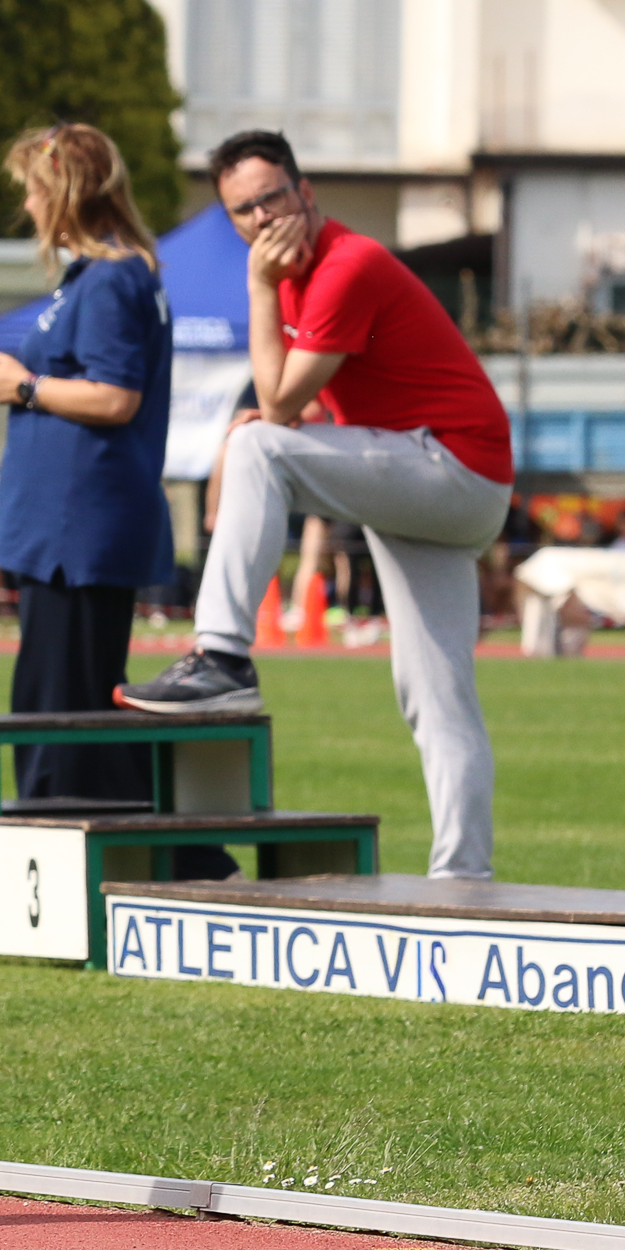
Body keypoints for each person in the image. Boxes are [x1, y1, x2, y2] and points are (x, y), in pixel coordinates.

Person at [120, 129, 515, 881]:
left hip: (452, 468)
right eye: (243, 211)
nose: (262, 219)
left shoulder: (346, 264)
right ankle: (465, 878)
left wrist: (258, 289)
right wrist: (276, 413)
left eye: (272, 199)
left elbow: (276, 405)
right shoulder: (298, 277)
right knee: (435, 695)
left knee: (257, 445)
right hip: (433, 478)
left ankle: (221, 658)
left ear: (306, 194)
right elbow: (297, 403)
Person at [0, 125, 178, 805]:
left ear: (64, 195)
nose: (28, 206)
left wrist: (24, 386)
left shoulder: (112, 278)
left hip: (78, 532)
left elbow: (116, 396)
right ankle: (125, 839)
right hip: (65, 532)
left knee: (63, 724)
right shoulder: (98, 276)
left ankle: (111, 844)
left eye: (35, 191)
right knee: (60, 707)